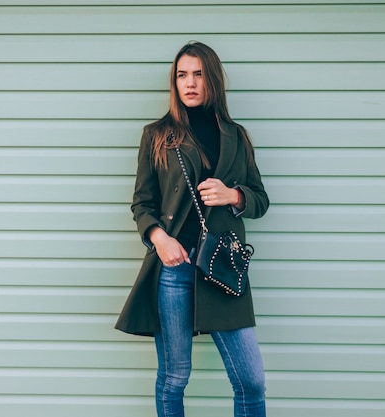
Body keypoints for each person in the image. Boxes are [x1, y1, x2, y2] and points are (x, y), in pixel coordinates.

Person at [115, 41, 270, 417]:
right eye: (182, 75)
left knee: (251, 382)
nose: (190, 82)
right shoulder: (157, 135)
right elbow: (141, 204)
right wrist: (159, 238)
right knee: (174, 378)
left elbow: (260, 200)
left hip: (222, 268)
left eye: (198, 74)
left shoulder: (237, 136)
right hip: (175, 270)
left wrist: (234, 195)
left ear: (212, 79)